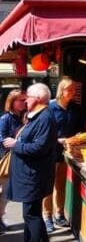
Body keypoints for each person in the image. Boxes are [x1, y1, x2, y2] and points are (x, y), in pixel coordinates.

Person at [3, 82, 58, 242]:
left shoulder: (45, 118)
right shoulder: (38, 116)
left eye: (28, 97)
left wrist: (16, 144)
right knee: (30, 214)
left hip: (34, 176)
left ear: (39, 98)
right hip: (30, 175)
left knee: (31, 215)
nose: (26, 101)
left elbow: (39, 148)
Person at [43, 77, 85, 233]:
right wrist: (58, 139)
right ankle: (47, 217)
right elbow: (43, 131)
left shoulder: (76, 108)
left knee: (60, 185)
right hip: (50, 151)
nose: (73, 92)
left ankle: (59, 214)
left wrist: (79, 137)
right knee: (47, 186)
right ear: (61, 90)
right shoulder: (50, 108)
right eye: (70, 89)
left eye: (74, 89)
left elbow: (81, 128)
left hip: (67, 153)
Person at [0, 89, 26, 232]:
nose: (24, 102)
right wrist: (15, 142)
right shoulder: (5, 119)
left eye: (25, 100)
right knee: (3, 191)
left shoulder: (23, 117)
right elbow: (1, 138)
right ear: (12, 102)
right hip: (5, 159)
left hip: (15, 160)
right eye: (21, 100)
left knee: (6, 192)